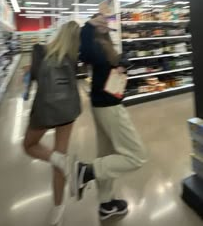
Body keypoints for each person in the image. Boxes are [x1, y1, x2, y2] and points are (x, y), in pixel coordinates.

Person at [72, 14, 147, 221]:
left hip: (106, 103)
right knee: (136, 155)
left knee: (106, 153)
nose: (104, 24)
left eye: (106, 21)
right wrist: (88, 26)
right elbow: (85, 52)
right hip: (109, 106)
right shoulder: (93, 43)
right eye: (100, 21)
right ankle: (86, 171)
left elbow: (111, 68)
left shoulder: (106, 44)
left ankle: (106, 203)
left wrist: (123, 62)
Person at [23, 21, 81, 226]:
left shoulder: (39, 51)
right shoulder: (73, 58)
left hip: (45, 110)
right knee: (61, 154)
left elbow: (34, 77)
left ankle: (59, 161)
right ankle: (58, 208)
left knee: (29, 146)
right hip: (68, 111)